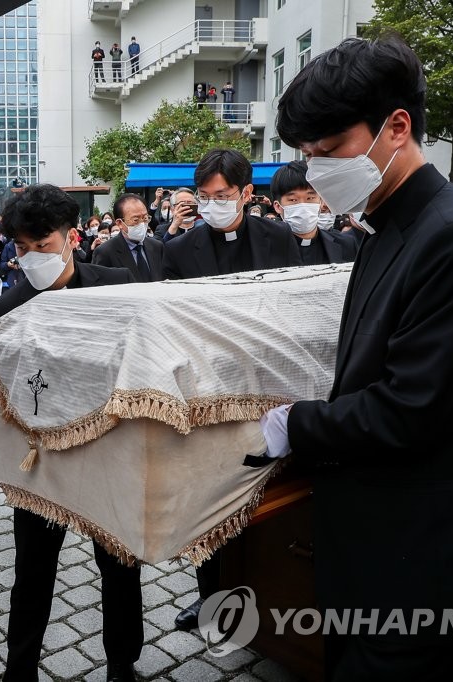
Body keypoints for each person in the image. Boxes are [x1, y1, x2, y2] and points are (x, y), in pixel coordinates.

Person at [257, 36, 453, 680]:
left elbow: (412, 409)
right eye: (307, 157)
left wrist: (297, 424)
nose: (318, 172)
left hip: (433, 564)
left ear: (396, 127)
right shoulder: (388, 221)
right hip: (382, 550)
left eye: (330, 150)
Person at [0, 185, 140, 682]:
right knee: (32, 570)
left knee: (119, 565)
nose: (32, 256)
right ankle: (20, 669)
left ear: (71, 236)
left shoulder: (116, 285)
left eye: (42, 244)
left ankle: (122, 665)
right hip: (40, 457)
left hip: (109, 450)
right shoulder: (3, 309)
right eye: (21, 248)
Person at [166, 150, 301, 629]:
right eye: (204, 197)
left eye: (222, 196)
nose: (211, 206)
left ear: (246, 193)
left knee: (269, 487)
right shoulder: (181, 249)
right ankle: (210, 595)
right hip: (211, 387)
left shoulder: (277, 236)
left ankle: (266, 589)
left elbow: (293, 305)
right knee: (209, 490)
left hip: (269, 382)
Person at [270, 160, 357, 265]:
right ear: (278, 206)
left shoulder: (346, 244)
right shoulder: (264, 249)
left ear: (320, 201)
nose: (303, 206)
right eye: (293, 200)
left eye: (310, 198)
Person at [92, 193, 165, 282]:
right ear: (119, 223)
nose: (142, 224)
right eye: (136, 220)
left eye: (145, 218)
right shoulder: (105, 252)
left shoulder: (156, 247)